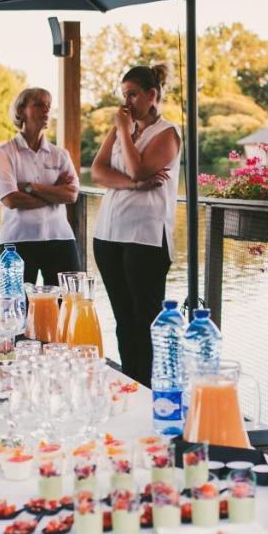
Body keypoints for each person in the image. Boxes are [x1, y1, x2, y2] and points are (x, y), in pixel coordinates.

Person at [90, 64, 182, 386]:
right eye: (123, 95)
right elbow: (98, 171)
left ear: (151, 95)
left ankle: (151, 388)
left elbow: (138, 169)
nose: (126, 102)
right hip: (108, 234)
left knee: (146, 320)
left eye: (132, 94)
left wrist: (124, 132)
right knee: (123, 319)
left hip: (145, 238)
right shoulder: (121, 129)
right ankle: (130, 383)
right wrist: (132, 186)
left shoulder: (167, 133)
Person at [0, 87, 81, 286]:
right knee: (16, 303)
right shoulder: (4, 153)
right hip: (17, 242)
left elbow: (71, 195)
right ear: (21, 111)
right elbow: (11, 199)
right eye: (39, 104)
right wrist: (54, 194)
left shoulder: (60, 154)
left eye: (49, 105)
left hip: (60, 238)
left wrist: (31, 187)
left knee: (68, 301)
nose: (46, 110)